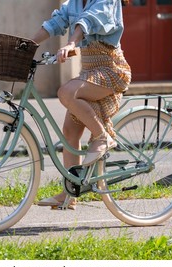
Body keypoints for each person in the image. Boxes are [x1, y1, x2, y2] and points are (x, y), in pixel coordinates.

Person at [32, 0, 131, 209]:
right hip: (90, 74)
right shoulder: (74, 3)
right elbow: (56, 22)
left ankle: (103, 137)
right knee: (70, 132)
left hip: (110, 70)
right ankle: (70, 193)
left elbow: (89, 20)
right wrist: (28, 45)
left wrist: (71, 43)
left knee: (66, 92)